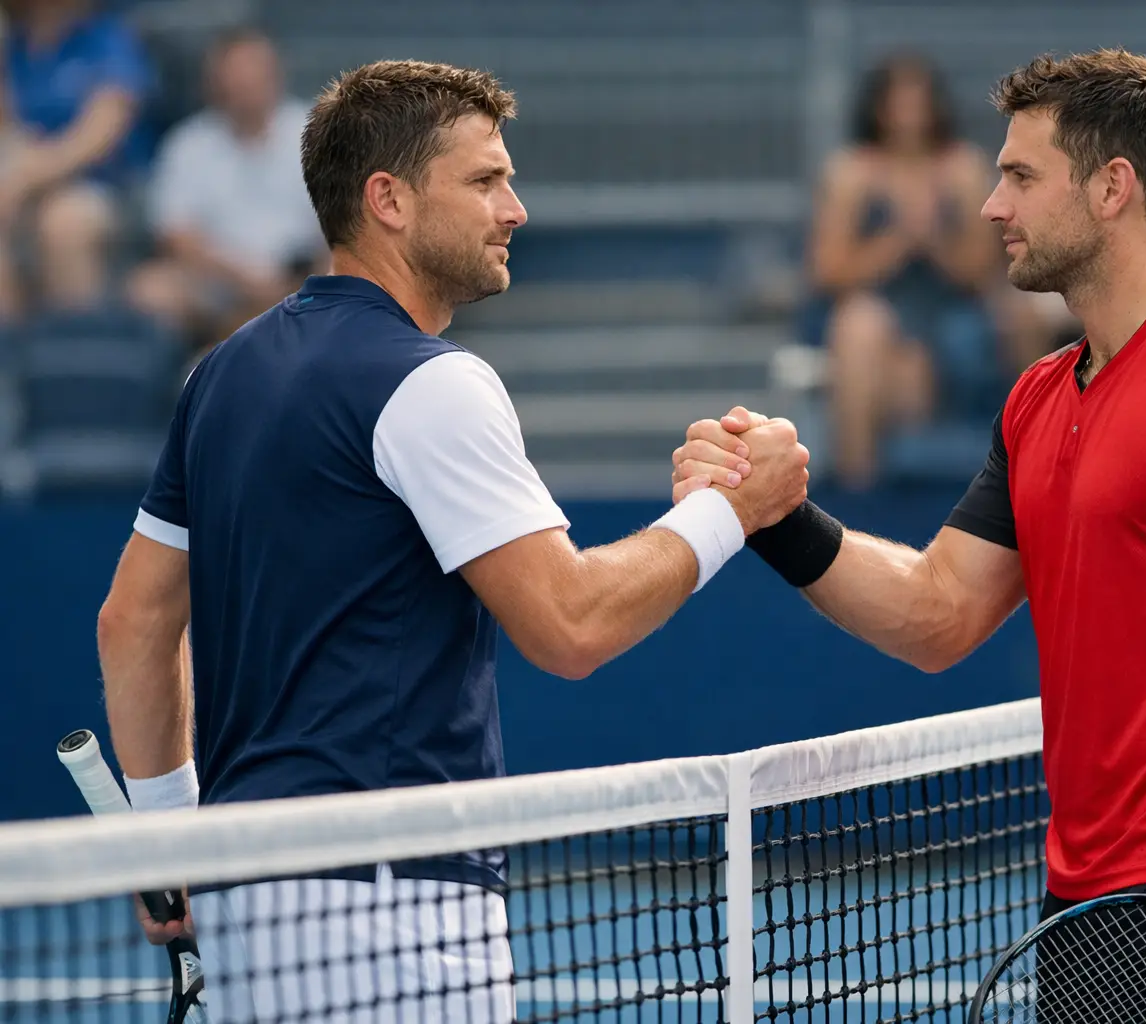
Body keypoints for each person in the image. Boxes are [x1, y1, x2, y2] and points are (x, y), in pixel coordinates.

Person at [675, 49, 1146, 1023]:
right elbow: (937, 612)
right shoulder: (1036, 398)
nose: (991, 205)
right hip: (1083, 906)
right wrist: (773, 518)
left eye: (1020, 176)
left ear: (1113, 188)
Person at [94, 59, 808, 1022]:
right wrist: (733, 508)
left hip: (246, 889)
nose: (514, 209)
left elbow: (132, 621)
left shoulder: (218, 375)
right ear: (387, 199)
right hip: (394, 902)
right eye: (484, 181)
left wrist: (170, 838)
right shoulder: (431, 382)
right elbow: (570, 624)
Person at [806, 53, 1002, 488]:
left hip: (948, 316)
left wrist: (931, 238)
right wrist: (897, 240)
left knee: (912, 374)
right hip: (875, 311)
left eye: (918, 99)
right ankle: (858, 492)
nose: (908, 113)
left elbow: (980, 270)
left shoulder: (964, 170)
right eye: (898, 100)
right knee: (861, 327)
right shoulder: (851, 173)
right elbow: (827, 271)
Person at [129, 26, 327, 351]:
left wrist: (295, 283)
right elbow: (175, 234)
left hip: (301, 281)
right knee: (150, 289)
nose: (244, 84)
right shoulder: (189, 142)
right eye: (234, 75)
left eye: (253, 72)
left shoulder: (318, 133)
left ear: (275, 74)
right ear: (215, 81)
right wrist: (245, 279)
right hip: (218, 287)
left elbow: (340, 223)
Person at [0, 0, 152, 319]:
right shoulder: (14, 45)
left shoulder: (108, 39)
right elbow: (8, 128)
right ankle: (9, 354)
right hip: (27, 182)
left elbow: (99, 135)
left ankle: (78, 359)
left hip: (105, 186)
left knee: (64, 223)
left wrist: (27, 176)